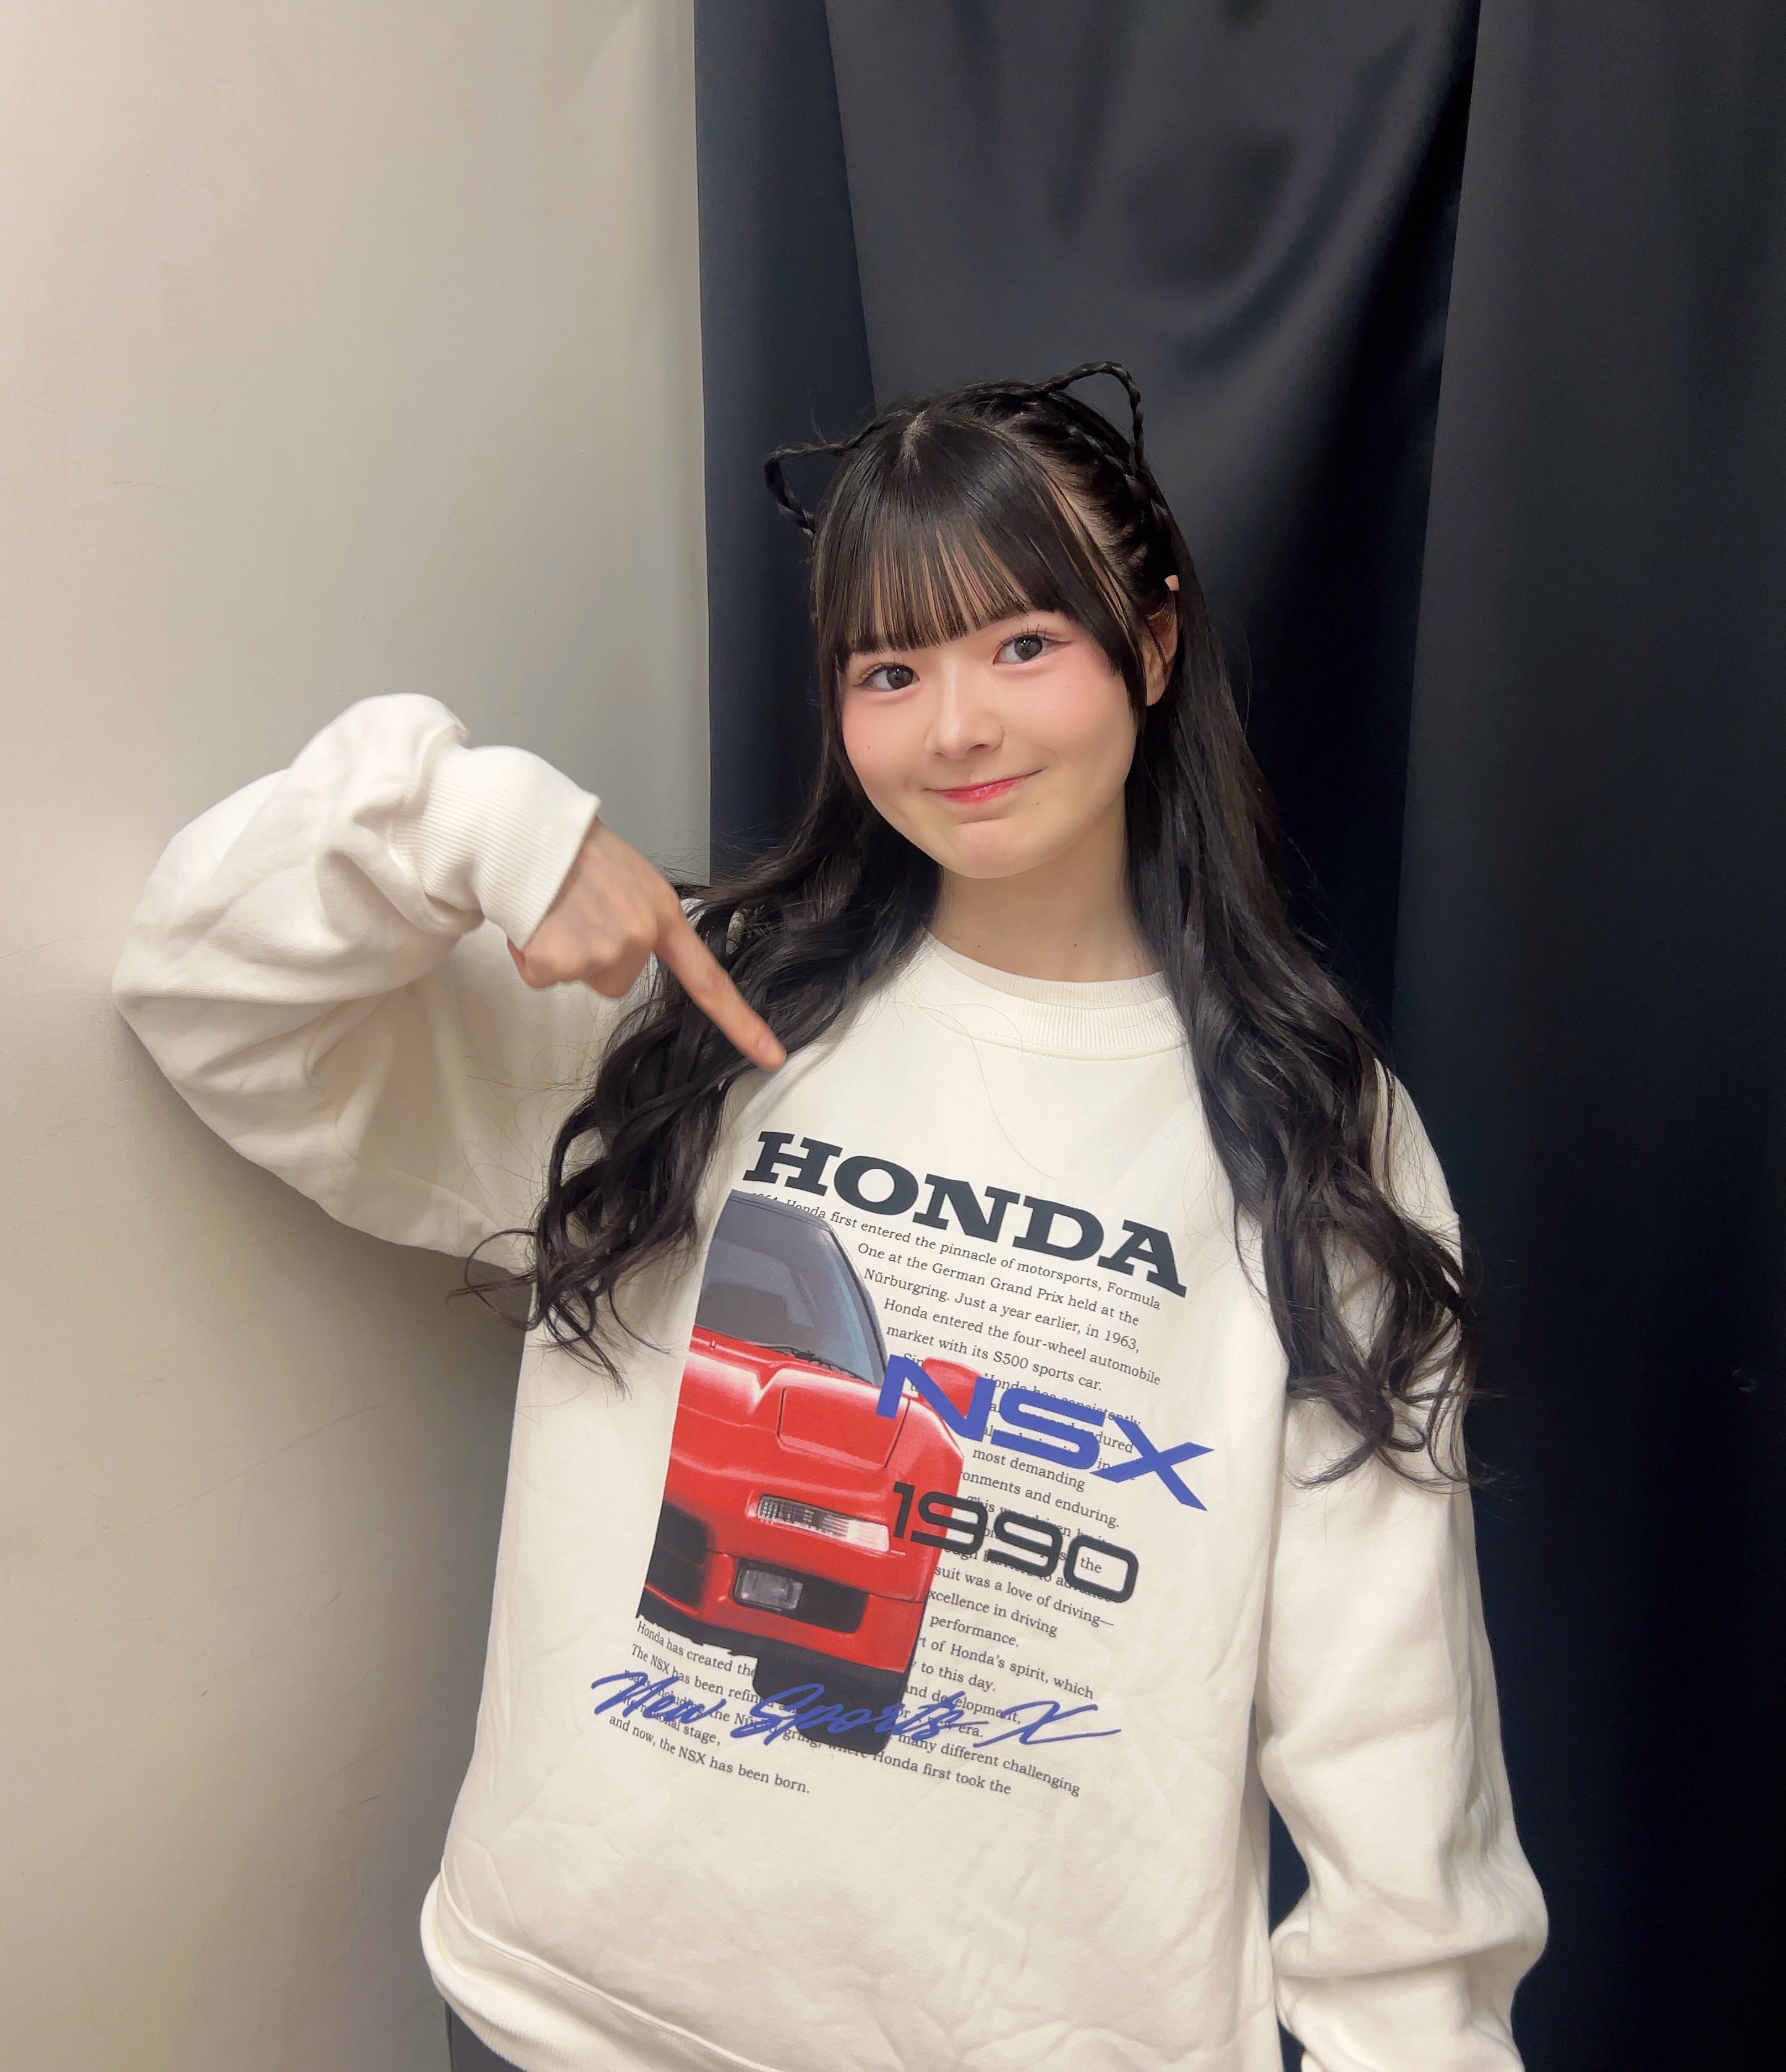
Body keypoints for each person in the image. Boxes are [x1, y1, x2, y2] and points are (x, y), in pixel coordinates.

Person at [113, 365, 1545, 2072]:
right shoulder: (697, 1017)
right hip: (560, 2022)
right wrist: (473, 818)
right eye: (891, 670)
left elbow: (1397, 1722)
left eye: (1025, 643)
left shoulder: (1306, 1126)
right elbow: (205, 995)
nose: (958, 729)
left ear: (1154, 645)